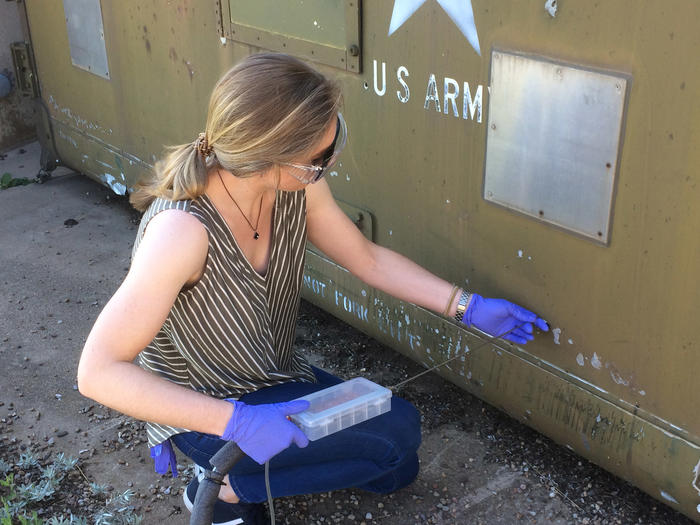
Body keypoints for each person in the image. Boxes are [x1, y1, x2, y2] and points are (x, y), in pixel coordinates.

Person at [77, 53, 548, 525]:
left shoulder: (294, 185)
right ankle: (221, 487)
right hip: (207, 402)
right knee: (393, 442)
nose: (327, 163)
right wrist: (231, 422)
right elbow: (97, 371)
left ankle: (251, 472)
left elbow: (366, 258)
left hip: (272, 376)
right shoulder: (181, 233)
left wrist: (466, 306)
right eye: (318, 157)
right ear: (269, 157)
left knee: (397, 462)